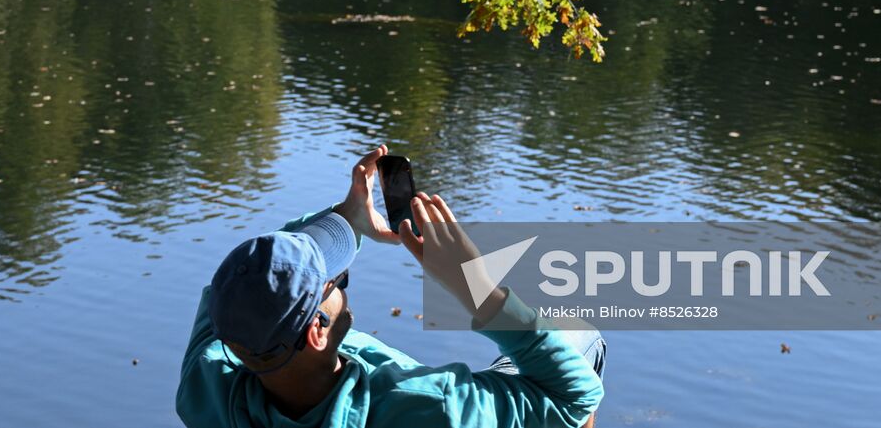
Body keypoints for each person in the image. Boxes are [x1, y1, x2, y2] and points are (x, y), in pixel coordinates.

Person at [175, 146, 606, 428]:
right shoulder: (426, 408)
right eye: (338, 278)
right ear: (316, 330)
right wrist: (474, 286)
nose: (344, 280)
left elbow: (234, 283)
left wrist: (346, 217)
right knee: (579, 335)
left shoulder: (206, 385)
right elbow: (575, 395)